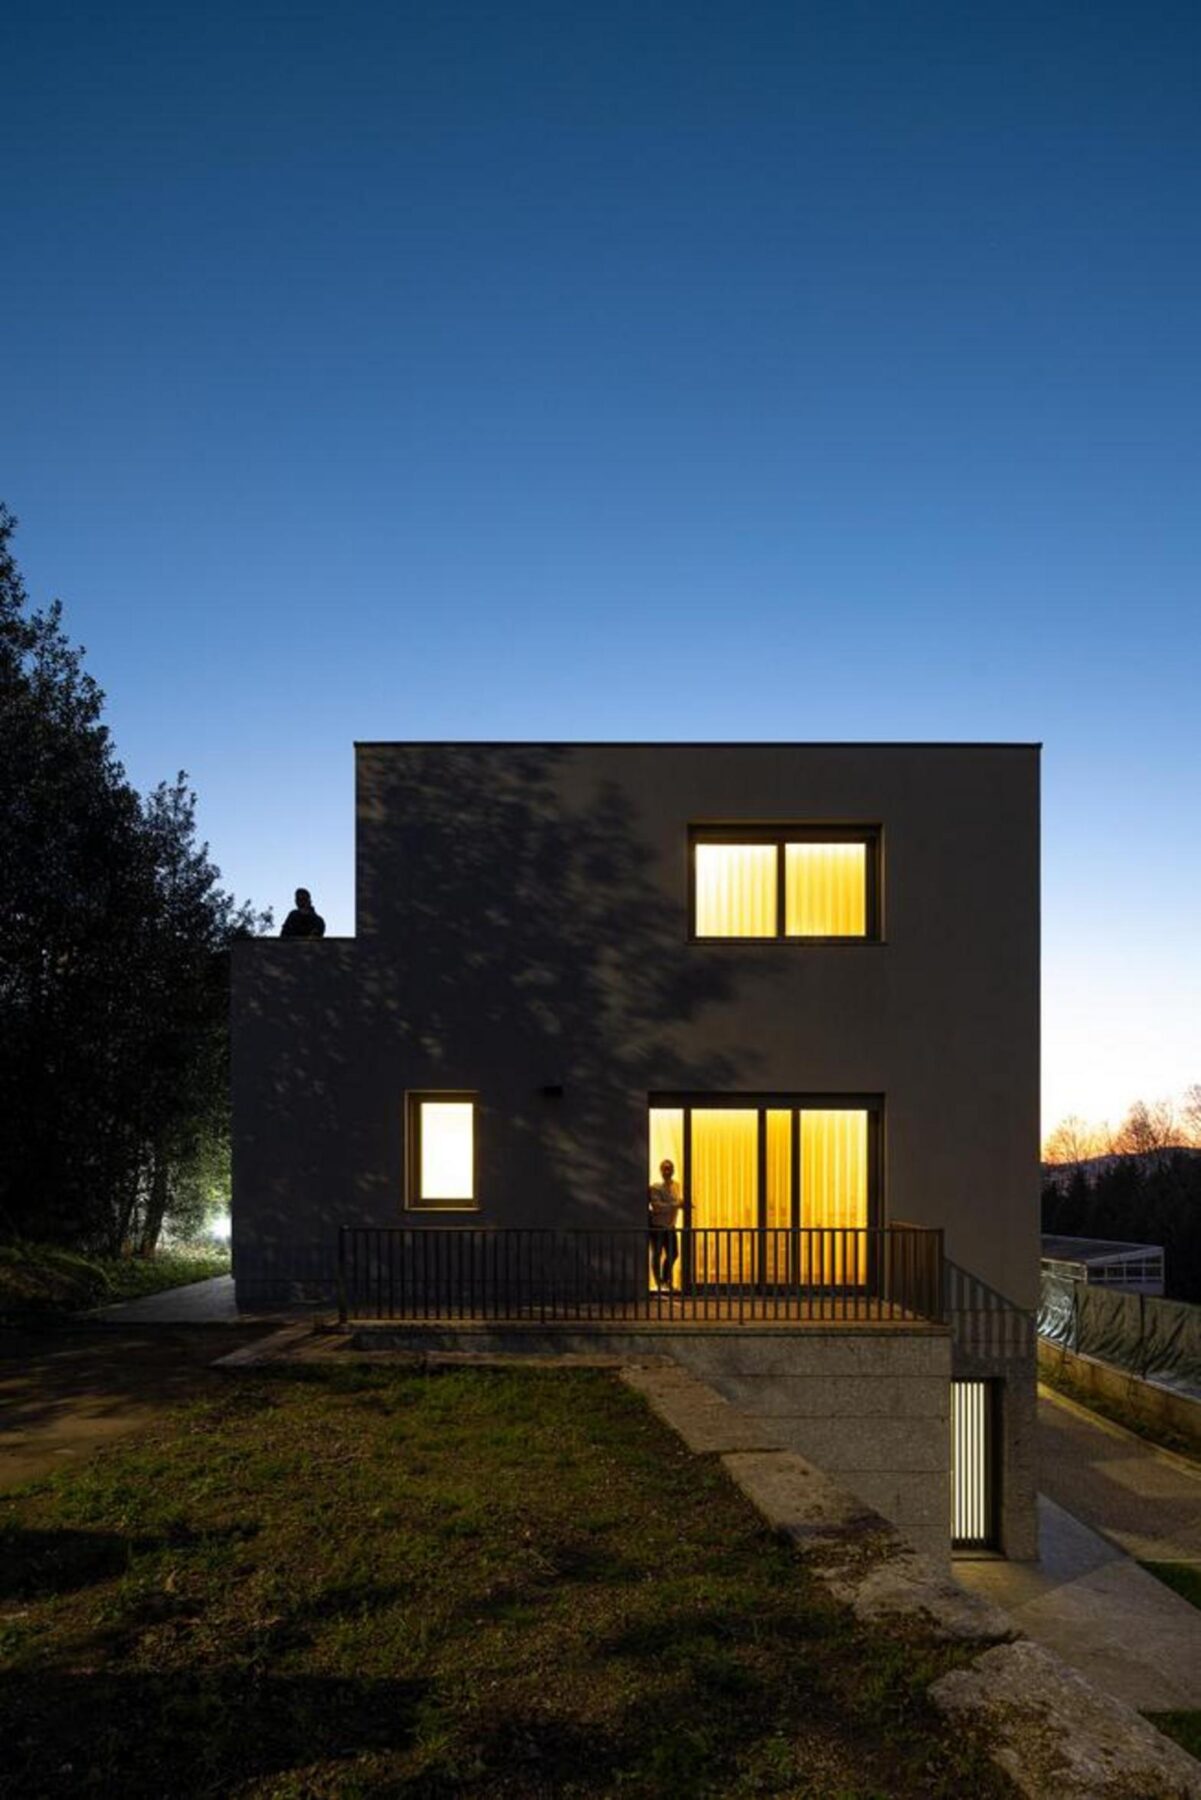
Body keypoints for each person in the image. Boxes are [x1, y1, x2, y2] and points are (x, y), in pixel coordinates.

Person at [647, 1158, 683, 1293]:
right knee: (656, 1254)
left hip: (670, 1226)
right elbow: (657, 1207)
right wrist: (676, 1205)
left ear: (673, 1170)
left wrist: (682, 1204)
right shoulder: (655, 1188)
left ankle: (665, 1280)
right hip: (657, 1226)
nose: (667, 1171)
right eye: (665, 1168)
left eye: (669, 1168)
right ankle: (659, 1283)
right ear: (661, 1171)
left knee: (673, 1254)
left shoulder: (676, 1186)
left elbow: (676, 1202)